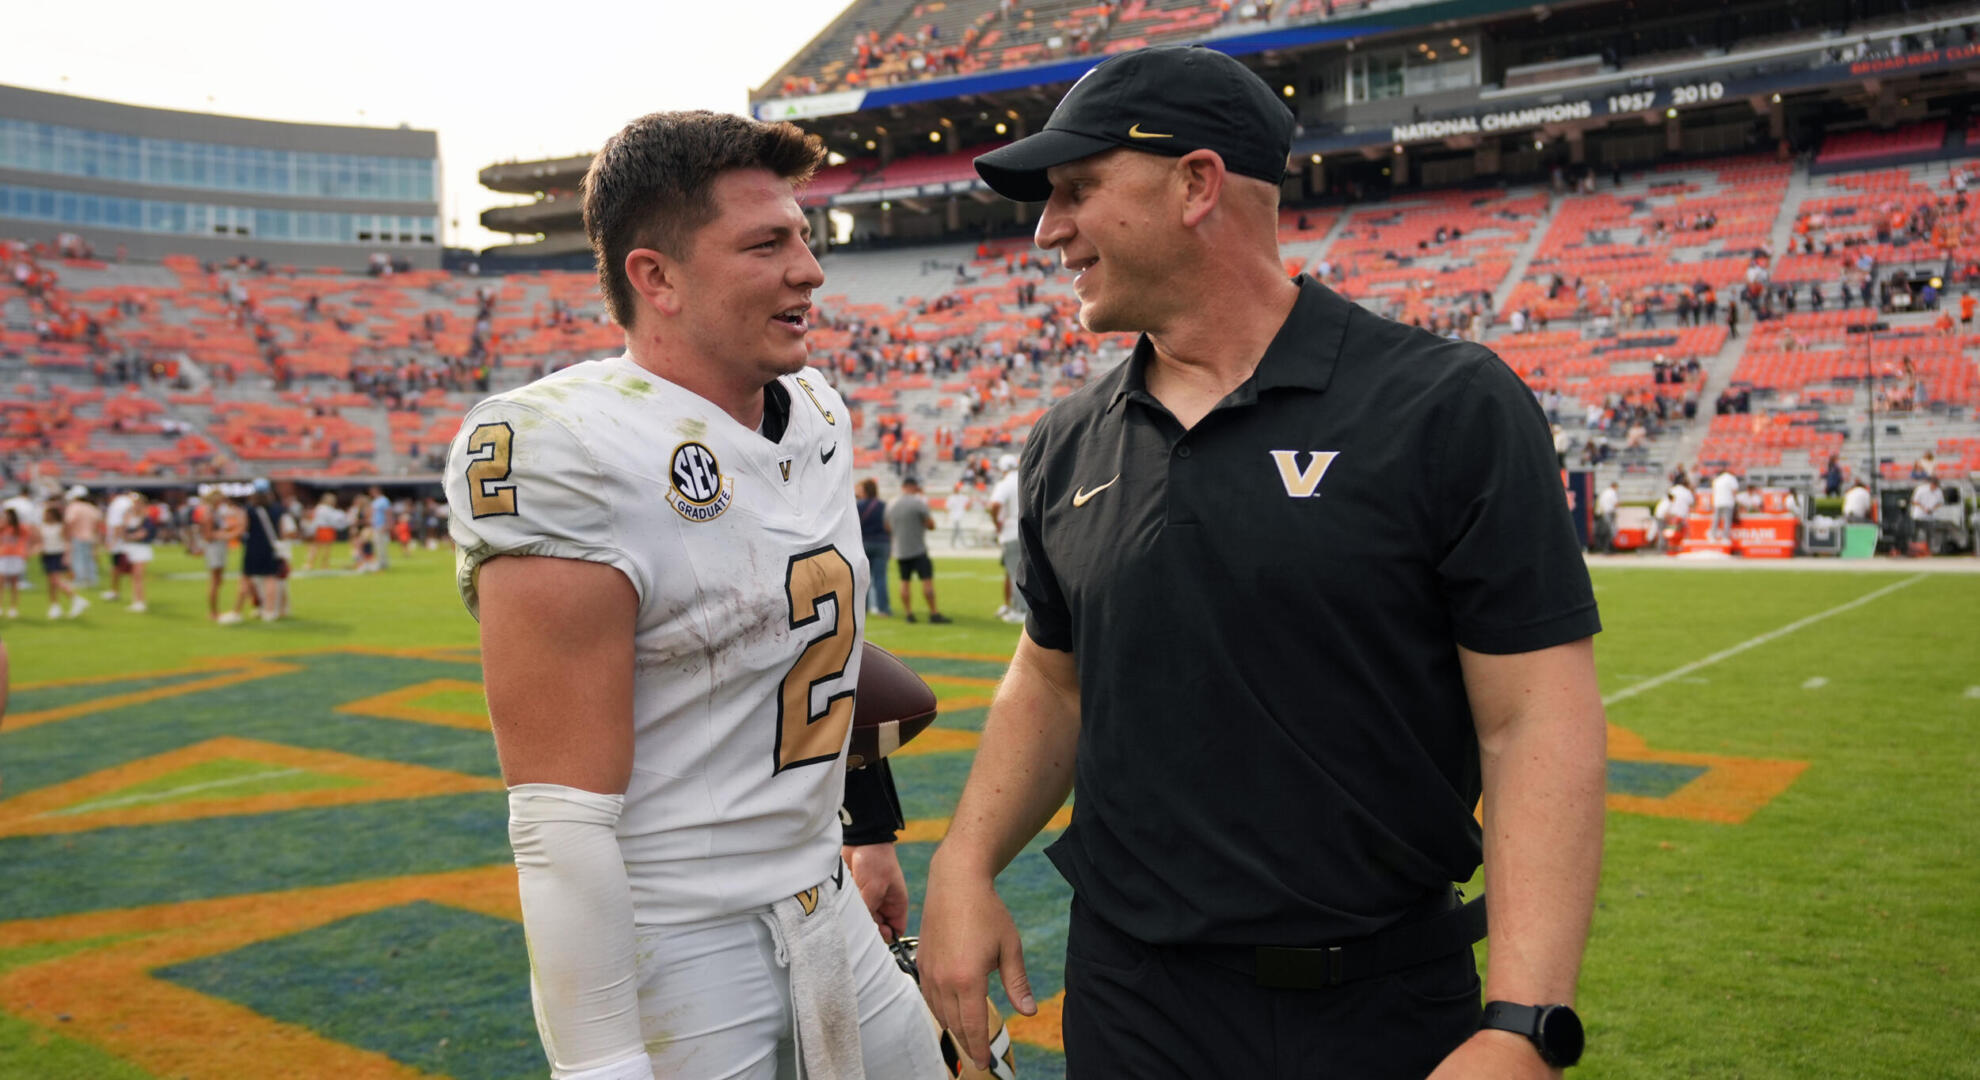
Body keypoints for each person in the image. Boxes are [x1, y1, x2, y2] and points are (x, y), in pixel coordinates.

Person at [922, 44, 1605, 1079]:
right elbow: (1052, 677)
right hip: (1132, 1000)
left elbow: (1534, 719)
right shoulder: (1065, 441)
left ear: (1197, 184)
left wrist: (1525, 1023)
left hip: (1379, 1002)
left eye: (1077, 190)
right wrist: (964, 867)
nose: (1047, 231)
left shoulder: (1446, 406)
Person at [442, 109, 944, 1080]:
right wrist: (601, 1067)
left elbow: (810, 654)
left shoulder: (816, 410)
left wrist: (869, 829)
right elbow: (558, 819)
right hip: (681, 938)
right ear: (656, 277)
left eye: (806, 235)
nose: (810, 269)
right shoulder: (564, 448)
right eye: (767, 244)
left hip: (822, 894)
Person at [885, 476, 950, 624]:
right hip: (918, 549)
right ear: (914, 486)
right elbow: (931, 524)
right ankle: (933, 612)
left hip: (900, 550)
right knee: (927, 582)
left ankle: (908, 613)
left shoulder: (892, 504)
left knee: (904, 582)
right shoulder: (918, 503)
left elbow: (887, 527)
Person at [987, 455, 1026, 624]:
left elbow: (995, 505)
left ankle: (1021, 610)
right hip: (1028, 531)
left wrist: (997, 522)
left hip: (1011, 532)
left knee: (1014, 574)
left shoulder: (1004, 484)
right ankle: (1020, 608)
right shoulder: (1025, 478)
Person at [39, 503, 84, 620]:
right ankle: (55, 605)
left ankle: (75, 598)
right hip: (47, 554)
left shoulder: (61, 526)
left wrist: (67, 556)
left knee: (56, 580)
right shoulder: (43, 526)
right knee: (51, 583)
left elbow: (67, 541)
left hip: (58, 554)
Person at [857, 477, 893, 616]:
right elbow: (888, 526)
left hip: (865, 543)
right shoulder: (883, 505)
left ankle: (862, 609)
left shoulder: (858, 506)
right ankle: (883, 608)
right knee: (881, 577)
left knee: (864, 578)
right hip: (882, 543)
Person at [62, 486, 103, 594]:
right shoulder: (91, 508)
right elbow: (98, 523)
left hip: (78, 536)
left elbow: (69, 522)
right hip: (91, 536)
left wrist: (66, 535)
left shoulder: (73, 507)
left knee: (78, 559)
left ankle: (80, 580)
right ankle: (91, 579)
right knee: (89, 559)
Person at [120, 493, 156, 613]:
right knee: (134, 576)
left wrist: (130, 536)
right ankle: (136, 600)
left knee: (138, 575)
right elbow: (124, 531)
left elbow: (142, 534)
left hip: (141, 548)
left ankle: (140, 601)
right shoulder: (129, 517)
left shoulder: (146, 518)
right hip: (131, 548)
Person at [103, 487, 135, 601]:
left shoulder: (118, 504)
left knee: (117, 568)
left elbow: (118, 524)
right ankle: (134, 595)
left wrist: (113, 542)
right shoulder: (127, 502)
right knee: (130, 569)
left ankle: (115, 592)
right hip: (129, 541)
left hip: (121, 543)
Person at [1907, 475, 1946, 555]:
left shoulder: (1938, 491)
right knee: (1916, 533)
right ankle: (1914, 551)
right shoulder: (1921, 489)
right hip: (1919, 516)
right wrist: (1924, 508)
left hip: (1931, 517)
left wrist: (1932, 509)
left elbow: (1940, 502)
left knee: (1930, 534)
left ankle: (1929, 551)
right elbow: (1914, 501)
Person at [0, 508, 27, 618]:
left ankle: (13, 607)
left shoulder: (20, 528)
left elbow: (27, 539)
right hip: (3, 555)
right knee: (1, 581)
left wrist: (25, 552)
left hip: (16, 556)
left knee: (14, 582)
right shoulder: (2, 527)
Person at [1709, 467, 1740, 543]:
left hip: (1717, 502)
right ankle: (1725, 537)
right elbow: (1734, 491)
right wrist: (1735, 501)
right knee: (1727, 520)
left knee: (1716, 519)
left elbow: (1714, 491)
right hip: (1727, 501)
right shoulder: (1731, 478)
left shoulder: (1717, 479)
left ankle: (1712, 536)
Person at [1595, 481, 1620, 552]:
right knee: (1610, 531)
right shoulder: (1612, 492)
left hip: (1602, 513)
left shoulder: (1604, 492)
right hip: (1609, 513)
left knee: (1604, 530)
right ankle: (1608, 548)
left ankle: (1603, 547)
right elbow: (1616, 504)